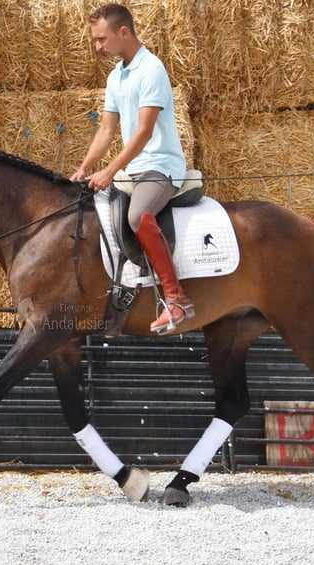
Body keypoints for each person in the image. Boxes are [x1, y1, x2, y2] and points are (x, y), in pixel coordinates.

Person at [71, 3, 194, 334]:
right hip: (132, 169)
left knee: (138, 216)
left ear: (123, 32)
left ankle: (176, 297)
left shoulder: (151, 69)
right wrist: (85, 168)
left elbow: (144, 131)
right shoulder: (116, 76)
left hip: (160, 167)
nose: (97, 47)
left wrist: (109, 171)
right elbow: (107, 130)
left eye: (101, 39)